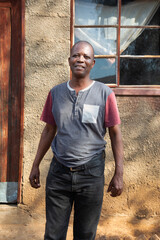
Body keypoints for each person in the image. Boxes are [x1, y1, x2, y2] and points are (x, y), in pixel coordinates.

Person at [29, 41, 123, 240]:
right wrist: (35, 164)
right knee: (53, 235)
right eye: (76, 55)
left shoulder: (105, 94)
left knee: (85, 234)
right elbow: (48, 130)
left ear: (93, 63)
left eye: (86, 57)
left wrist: (119, 173)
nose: (80, 59)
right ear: (69, 60)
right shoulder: (55, 93)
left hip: (91, 173)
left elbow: (115, 134)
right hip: (59, 173)